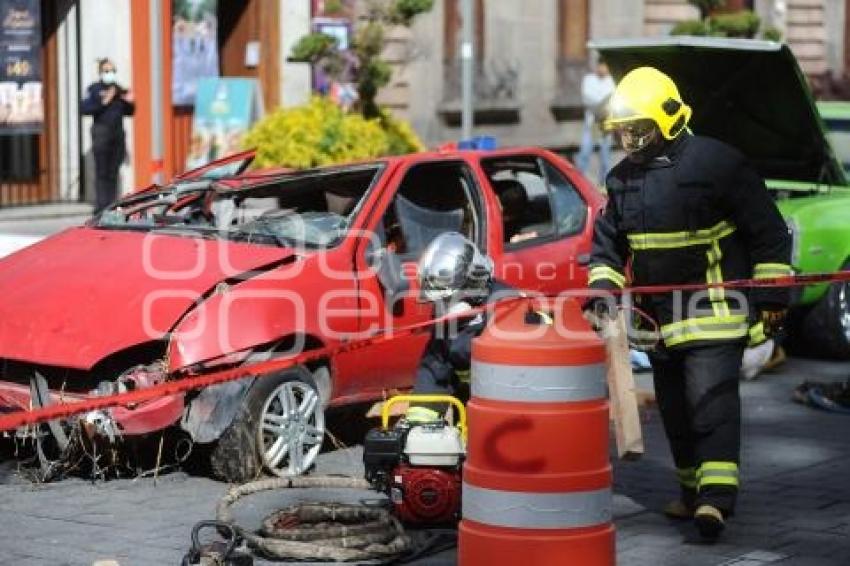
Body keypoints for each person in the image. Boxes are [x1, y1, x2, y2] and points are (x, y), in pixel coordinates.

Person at [583, 67, 792, 540]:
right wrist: (602, 290)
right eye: (624, 132)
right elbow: (608, 247)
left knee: (708, 404)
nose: (631, 141)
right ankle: (692, 493)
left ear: (669, 120)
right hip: (660, 324)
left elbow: (769, 234)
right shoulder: (621, 182)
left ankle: (717, 502)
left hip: (716, 312)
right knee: (675, 412)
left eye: (640, 130)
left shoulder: (718, 164)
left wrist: (774, 296)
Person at [403, 232, 516, 423]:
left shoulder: (508, 309)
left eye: (447, 300)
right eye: (439, 302)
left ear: (473, 284)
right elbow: (433, 370)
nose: (442, 308)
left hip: (512, 420)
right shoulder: (448, 324)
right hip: (472, 419)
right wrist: (416, 425)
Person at [81, 58, 135, 213]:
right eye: (106, 71)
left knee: (113, 172)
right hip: (101, 134)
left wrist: (129, 101)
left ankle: (111, 205)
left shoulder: (119, 89)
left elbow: (130, 112)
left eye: (112, 71)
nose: (110, 74)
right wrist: (105, 100)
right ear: (100, 72)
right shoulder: (93, 89)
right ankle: (101, 206)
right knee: (102, 172)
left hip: (117, 135)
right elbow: (84, 109)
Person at [576, 59, 616, 186]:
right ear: (598, 66)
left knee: (605, 158)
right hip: (592, 123)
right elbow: (588, 98)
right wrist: (603, 102)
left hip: (606, 124)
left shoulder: (611, 80)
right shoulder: (589, 79)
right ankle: (578, 183)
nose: (604, 69)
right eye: (602, 66)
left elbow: (613, 99)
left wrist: (603, 103)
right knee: (584, 154)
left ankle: (603, 185)